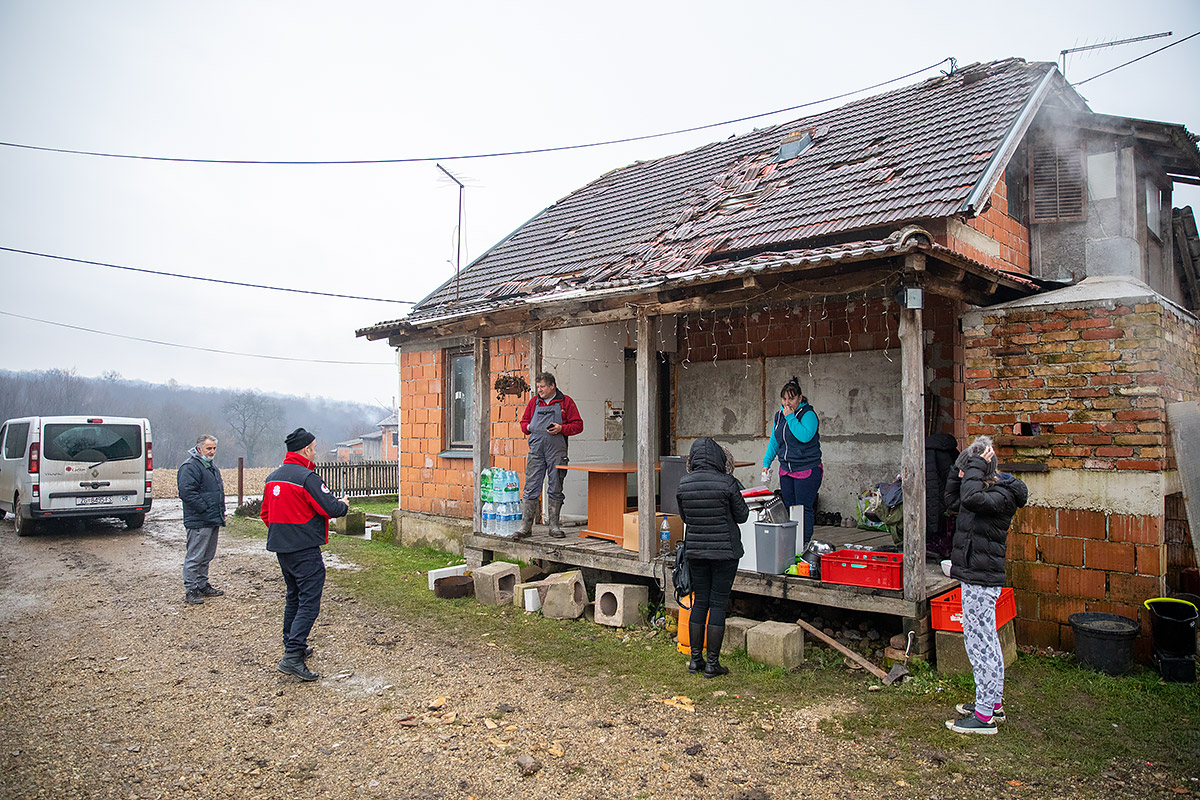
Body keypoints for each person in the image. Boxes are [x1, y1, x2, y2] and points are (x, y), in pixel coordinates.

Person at [943, 435, 1027, 734]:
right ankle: (993, 704)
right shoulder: (981, 489)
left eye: (968, 472)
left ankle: (984, 716)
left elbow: (970, 498)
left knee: (981, 644)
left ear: (982, 470)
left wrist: (976, 463)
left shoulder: (1000, 495)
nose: (964, 477)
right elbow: (953, 500)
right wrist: (962, 464)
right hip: (974, 574)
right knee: (982, 640)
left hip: (982, 577)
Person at [260, 428, 350, 682]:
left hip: (282, 549)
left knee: (294, 596)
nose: (315, 453)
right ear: (306, 450)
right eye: (314, 448)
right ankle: (292, 657)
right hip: (305, 549)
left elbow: (266, 515)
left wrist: (284, 533)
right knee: (309, 601)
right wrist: (343, 505)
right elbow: (329, 507)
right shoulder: (307, 477)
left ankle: (292, 644)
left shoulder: (272, 478)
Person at [676, 437, 750, 678]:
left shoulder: (683, 485)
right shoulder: (727, 483)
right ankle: (712, 664)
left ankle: (695, 660)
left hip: (696, 551)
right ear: (719, 458)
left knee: (700, 602)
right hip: (725, 552)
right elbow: (743, 515)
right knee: (717, 604)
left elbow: (686, 518)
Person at [514, 372, 583, 539]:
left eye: (542, 387)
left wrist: (562, 428)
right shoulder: (534, 402)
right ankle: (525, 527)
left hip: (557, 452)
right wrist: (530, 427)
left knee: (556, 487)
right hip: (536, 451)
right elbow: (523, 424)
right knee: (530, 488)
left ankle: (554, 526)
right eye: (538, 387)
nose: (540, 390)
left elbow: (578, 425)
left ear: (552, 386)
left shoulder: (566, 402)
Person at [760, 376, 822, 546]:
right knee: (788, 507)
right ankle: (790, 543)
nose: (788, 403)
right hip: (786, 469)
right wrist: (766, 463)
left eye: (792, 399)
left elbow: (804, 436)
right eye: (785, 399)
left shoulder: (808, 414)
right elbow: (774, 440)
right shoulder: (779, 416)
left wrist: (791, 418)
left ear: (800, 398)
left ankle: (804, 543)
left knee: (803, 508)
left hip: (807, 468)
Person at [177, 434, 226, 606]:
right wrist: (204, 508)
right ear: (199, 448)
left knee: (207, 555)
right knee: (195, 556)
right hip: (199, 519)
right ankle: (191, 589)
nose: (212, 451)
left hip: (212, 518)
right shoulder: (190, 467)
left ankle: (202, 584)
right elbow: (186, 492)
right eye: (209, 448)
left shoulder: (211, 467)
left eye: (214, 448)